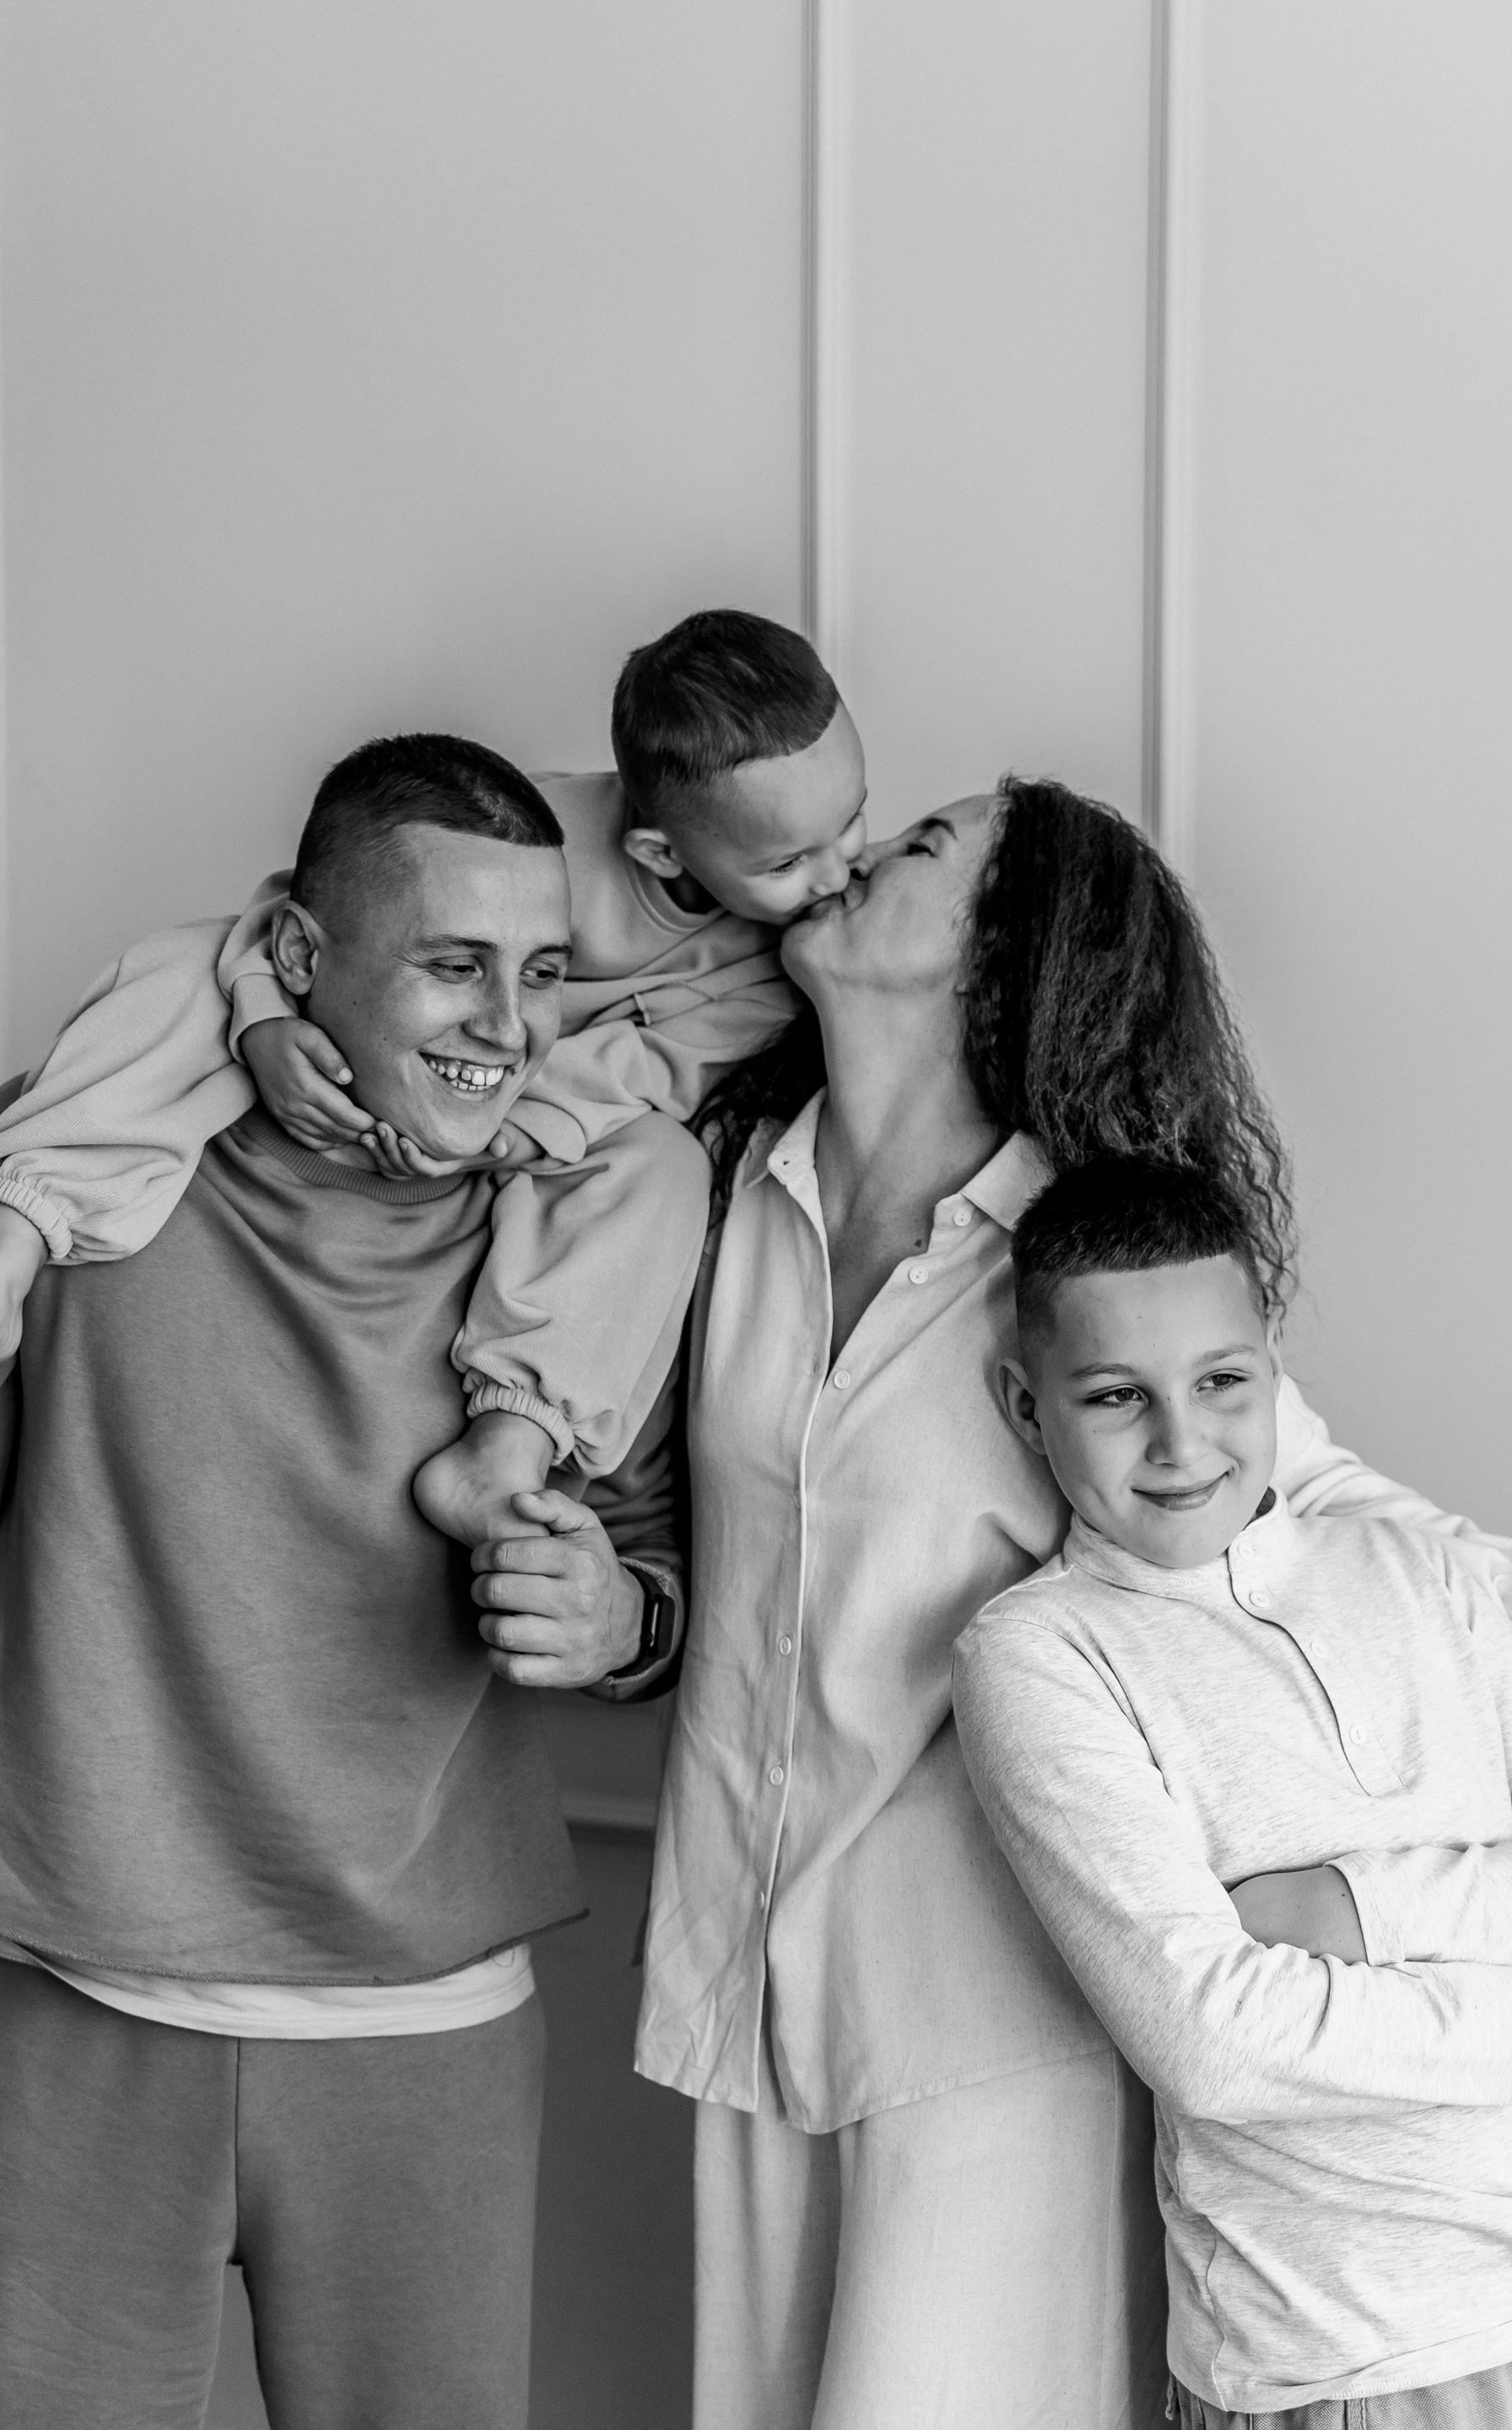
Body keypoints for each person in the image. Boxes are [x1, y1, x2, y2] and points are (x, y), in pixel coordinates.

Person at [632, 776, 1511, 2430]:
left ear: (1002, 949)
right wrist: (626, 1620)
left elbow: (1293, 1490)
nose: (855, 853)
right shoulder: (730, 1188)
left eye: (918, 847)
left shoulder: (1083, 1285)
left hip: (981, 1998)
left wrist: (1383, 1892)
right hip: (739, 1969)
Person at [0, 734, 696, 2430]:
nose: (507, 1025)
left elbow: (663, 1575)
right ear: (298, 955)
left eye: (544, 972)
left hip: (429, 2032)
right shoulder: (59, 1162)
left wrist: (623, 1621)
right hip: (61, 2007)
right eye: (453, 965)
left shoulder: (597, 1225)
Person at [0, 608, 868, 1551]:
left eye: (855, 824)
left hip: (529, 1115)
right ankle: (10, 1241)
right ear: (657, 848)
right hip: (362, 1050)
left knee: (660, 1165)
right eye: (792, 860)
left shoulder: (776, 962)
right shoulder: (537, 832)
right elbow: (303, 905)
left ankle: (508, 1443)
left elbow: (655, 1071)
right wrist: (265, 1020)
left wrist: (516, 1127)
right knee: (177, 968)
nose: (840, 877)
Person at [955, 1155, 1512, 2429]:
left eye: (1221, 1382)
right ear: (1028, 1407)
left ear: (1273, 1373)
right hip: (1354, 2360)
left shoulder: (1436, 1577)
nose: (1181, 1442)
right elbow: (1217, 2044)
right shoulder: (1043, 1656)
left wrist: (1357, 1910)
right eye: (1116, 1396)